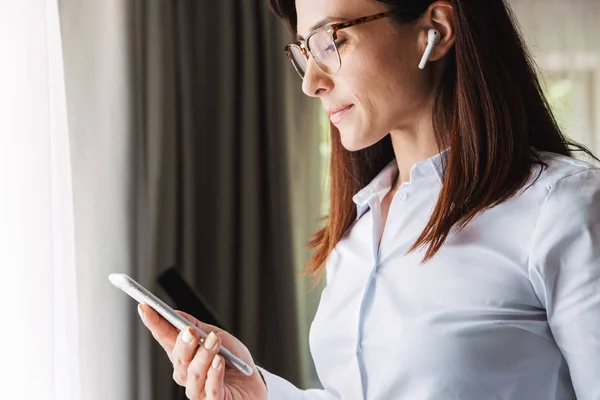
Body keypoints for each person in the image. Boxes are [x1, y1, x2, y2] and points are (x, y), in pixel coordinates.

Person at [138, 0, 600, 398]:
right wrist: (259, 391)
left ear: (434, 31)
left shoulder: (562, 208)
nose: (310, 81)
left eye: (329, 41)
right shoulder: (359, 232)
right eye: (304, 51)